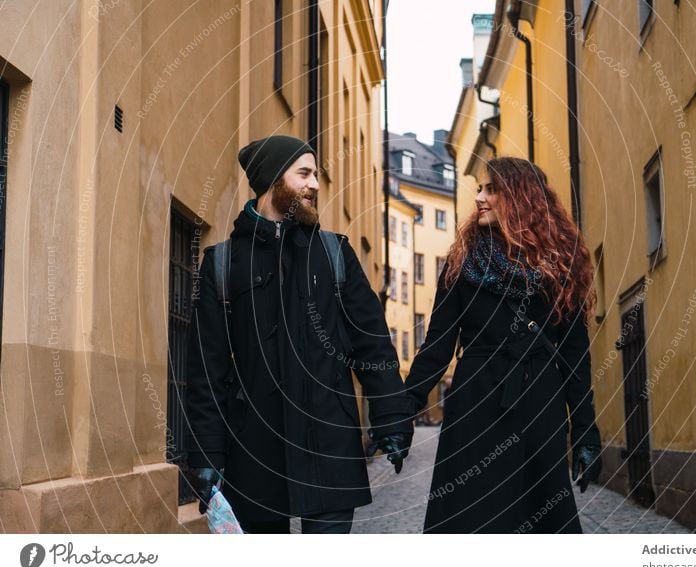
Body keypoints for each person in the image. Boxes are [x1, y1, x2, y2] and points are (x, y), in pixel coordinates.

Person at [185, 135, 415, 534]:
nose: (314, 184)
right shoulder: (223, 264)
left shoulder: (333, 254)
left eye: (316, 175)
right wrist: (206, 452)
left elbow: (372, 344)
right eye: (304, 174)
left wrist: (392, 418)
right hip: (255, 450)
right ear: (274, 179)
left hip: (330, 444)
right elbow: (207, 369)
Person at [405, 157, 602, 533]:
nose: (479, 198)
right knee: (474, 519)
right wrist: (401, 415)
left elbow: (576, 357)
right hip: (476, 403)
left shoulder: (560, 265)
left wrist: (585, 432)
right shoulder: (462, 263)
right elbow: (437, 346)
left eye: (491, 190)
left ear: (520, 197)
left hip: (539, 401)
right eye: (480, 189)